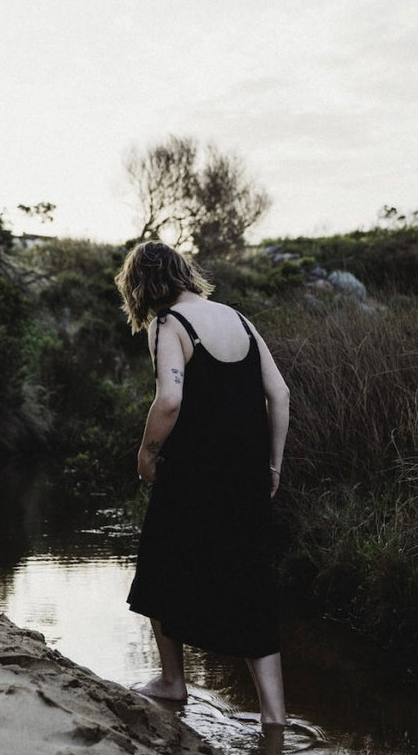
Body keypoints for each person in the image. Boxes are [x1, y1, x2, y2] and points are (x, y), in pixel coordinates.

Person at [114, 240, 290, 729]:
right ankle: (274, 716)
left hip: (193, 473)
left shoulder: (168, 323)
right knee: (251, 581)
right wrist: (272, 464)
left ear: (140, 285)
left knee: (160, 563)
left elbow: (170, 399)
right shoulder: (239, 319)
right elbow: (279, 392)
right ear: (182, 271)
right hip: (248, 474)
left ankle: (173, 681)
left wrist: (147, 453)